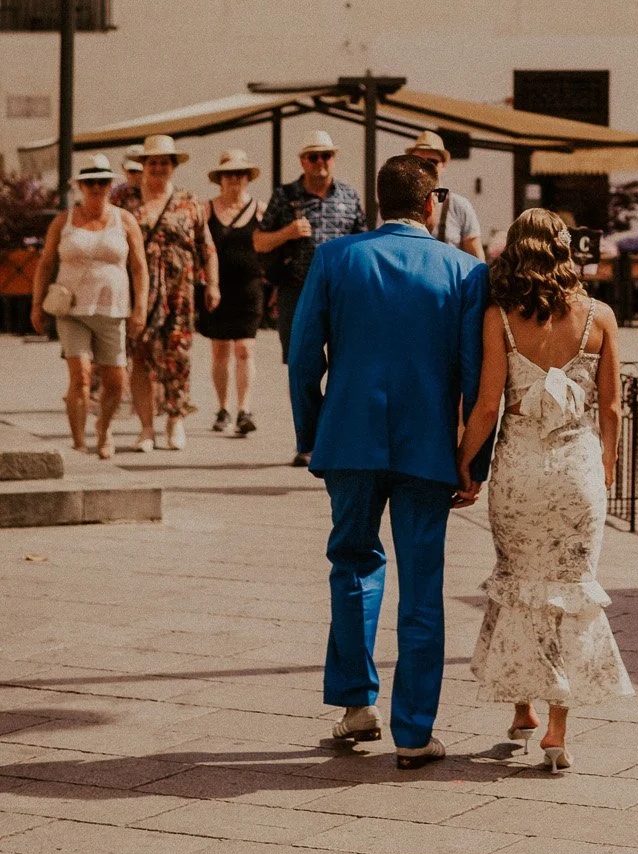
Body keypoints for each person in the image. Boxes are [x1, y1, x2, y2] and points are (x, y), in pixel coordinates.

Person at [287, 152, 491, 768]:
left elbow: (302, 360)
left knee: (351, 563)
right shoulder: (464, 271)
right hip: (428, 448)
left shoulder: (334, 258)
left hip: (349, 440)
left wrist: (312, 435)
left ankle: (355, 704)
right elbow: (477, 378)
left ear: (379, 204)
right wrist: (472, 463)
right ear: (433, 204)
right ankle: (414, 732)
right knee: (423, 587)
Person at [458, 208, 632, 772]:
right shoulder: (599, 316)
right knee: (570, 590)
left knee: (520, 584)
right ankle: (558, 730)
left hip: (519, 472)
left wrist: (465, 465)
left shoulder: (499, 317)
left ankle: (522, 709)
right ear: (564, 249)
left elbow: (487, 406)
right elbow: (609, 406)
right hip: (576, 471)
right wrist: (606, 466)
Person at [30, 154, 149, 459]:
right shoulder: (64, 221)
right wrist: (35, 305)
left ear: (111, 185)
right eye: (90, 182)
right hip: (72, 309)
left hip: (113, 310)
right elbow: (45, 265)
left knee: (114, 381)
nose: (96, 187)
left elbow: (139, 267)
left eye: (102, 182)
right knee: (80, 376)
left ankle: (104, 427)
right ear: (81, 186)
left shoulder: (124, 220)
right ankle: (79, 441)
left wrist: (140, 310)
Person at [128, 135, 218, 453]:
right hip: (138, 292)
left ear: (173, 166)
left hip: (179, 293)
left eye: (164, 162)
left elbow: (207, 247)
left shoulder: (189, 201)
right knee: (140, 356)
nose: (158, 167)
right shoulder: (126, 201)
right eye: (152, 162)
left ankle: (176, 418)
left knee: (177, 356)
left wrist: (214, 285)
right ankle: (146, 427)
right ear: (143, 165)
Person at [254, 129, 364, 375]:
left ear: (333, 158)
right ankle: (305, 414)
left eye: (325, 156)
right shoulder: (285, 195)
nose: (320, 162)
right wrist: (287, 233)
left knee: (344, 360)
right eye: (313, 157)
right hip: (296, 290)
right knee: (300, 363)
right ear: (302, 160)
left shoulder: (349, 196)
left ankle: (334, 412)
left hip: (339, 291)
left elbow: (361, 245)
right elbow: (259, 242)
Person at [198, 149, 266, 437]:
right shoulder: (206, 210)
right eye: (229, 174)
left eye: (240, 174)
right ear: (220, 179)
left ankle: (244, 409)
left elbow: (268, 245)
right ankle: (223, 407)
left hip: (249, 287)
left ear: (247, 178)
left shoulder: (259, 209)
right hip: (216, 287)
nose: (234, 179)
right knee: (220, 350)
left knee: (244, 348)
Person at [407, 130, 484, 258]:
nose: (425, 167)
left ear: (443, 165)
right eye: (418, 161)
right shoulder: (397, 202)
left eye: (432, 162)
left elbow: (477, 259)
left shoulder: (460, 206)